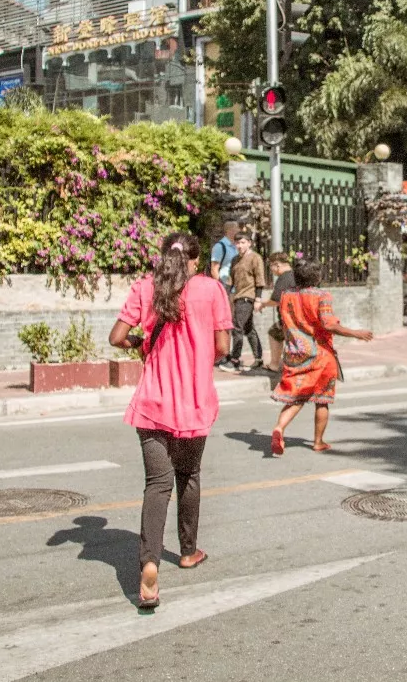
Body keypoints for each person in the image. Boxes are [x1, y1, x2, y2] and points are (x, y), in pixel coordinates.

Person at [109, 232, 232, 611]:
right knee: (189, 474)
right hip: (194, 402)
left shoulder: (145, 287)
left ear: (164, 257)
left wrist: (143, 346)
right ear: (195, 261)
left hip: (153, 402)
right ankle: (188, 551)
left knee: (156, 484)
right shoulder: (211, 290)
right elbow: (224, 347)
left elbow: (117, 337)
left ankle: (148, 566)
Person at [270, 258, 373, 455]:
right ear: (317, 276)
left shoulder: (286, 295)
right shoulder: (322, 296)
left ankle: (279, 427)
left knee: (296, 398)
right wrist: (355, 333)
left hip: (295, 352)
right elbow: (328, 324)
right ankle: (318, 442)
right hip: (320, 354)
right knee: (322, 399)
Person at [219, 234, 267, 372]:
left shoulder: (255, 258)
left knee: (237, 327)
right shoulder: (235, 260)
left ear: (249, 243)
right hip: (238, 296)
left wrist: (258, 299)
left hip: (248, 297)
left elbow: (260, 279)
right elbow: (230, 280)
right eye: (237, 243)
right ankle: (258, 359)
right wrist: (224, 295)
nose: (239, 246)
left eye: (242, 242)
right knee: (248, 329)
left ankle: (235, 360)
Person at [254, 252, 295, 371]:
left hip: (288, 319)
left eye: (271, 266)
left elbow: (276, 300)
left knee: (274, 333)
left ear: (277, 265)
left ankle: (274, 365)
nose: (271, 269)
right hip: (299, 317)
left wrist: (263, 304)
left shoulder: (283, 278)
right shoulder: (296, 274)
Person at [208, 220, 239, 293]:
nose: (238, 230)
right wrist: (221, 288)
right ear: (229, 230)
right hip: (225, 287)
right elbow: (214, 269)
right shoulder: (219, 247)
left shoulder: (236, 246)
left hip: (235, 288)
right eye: (236, 228)